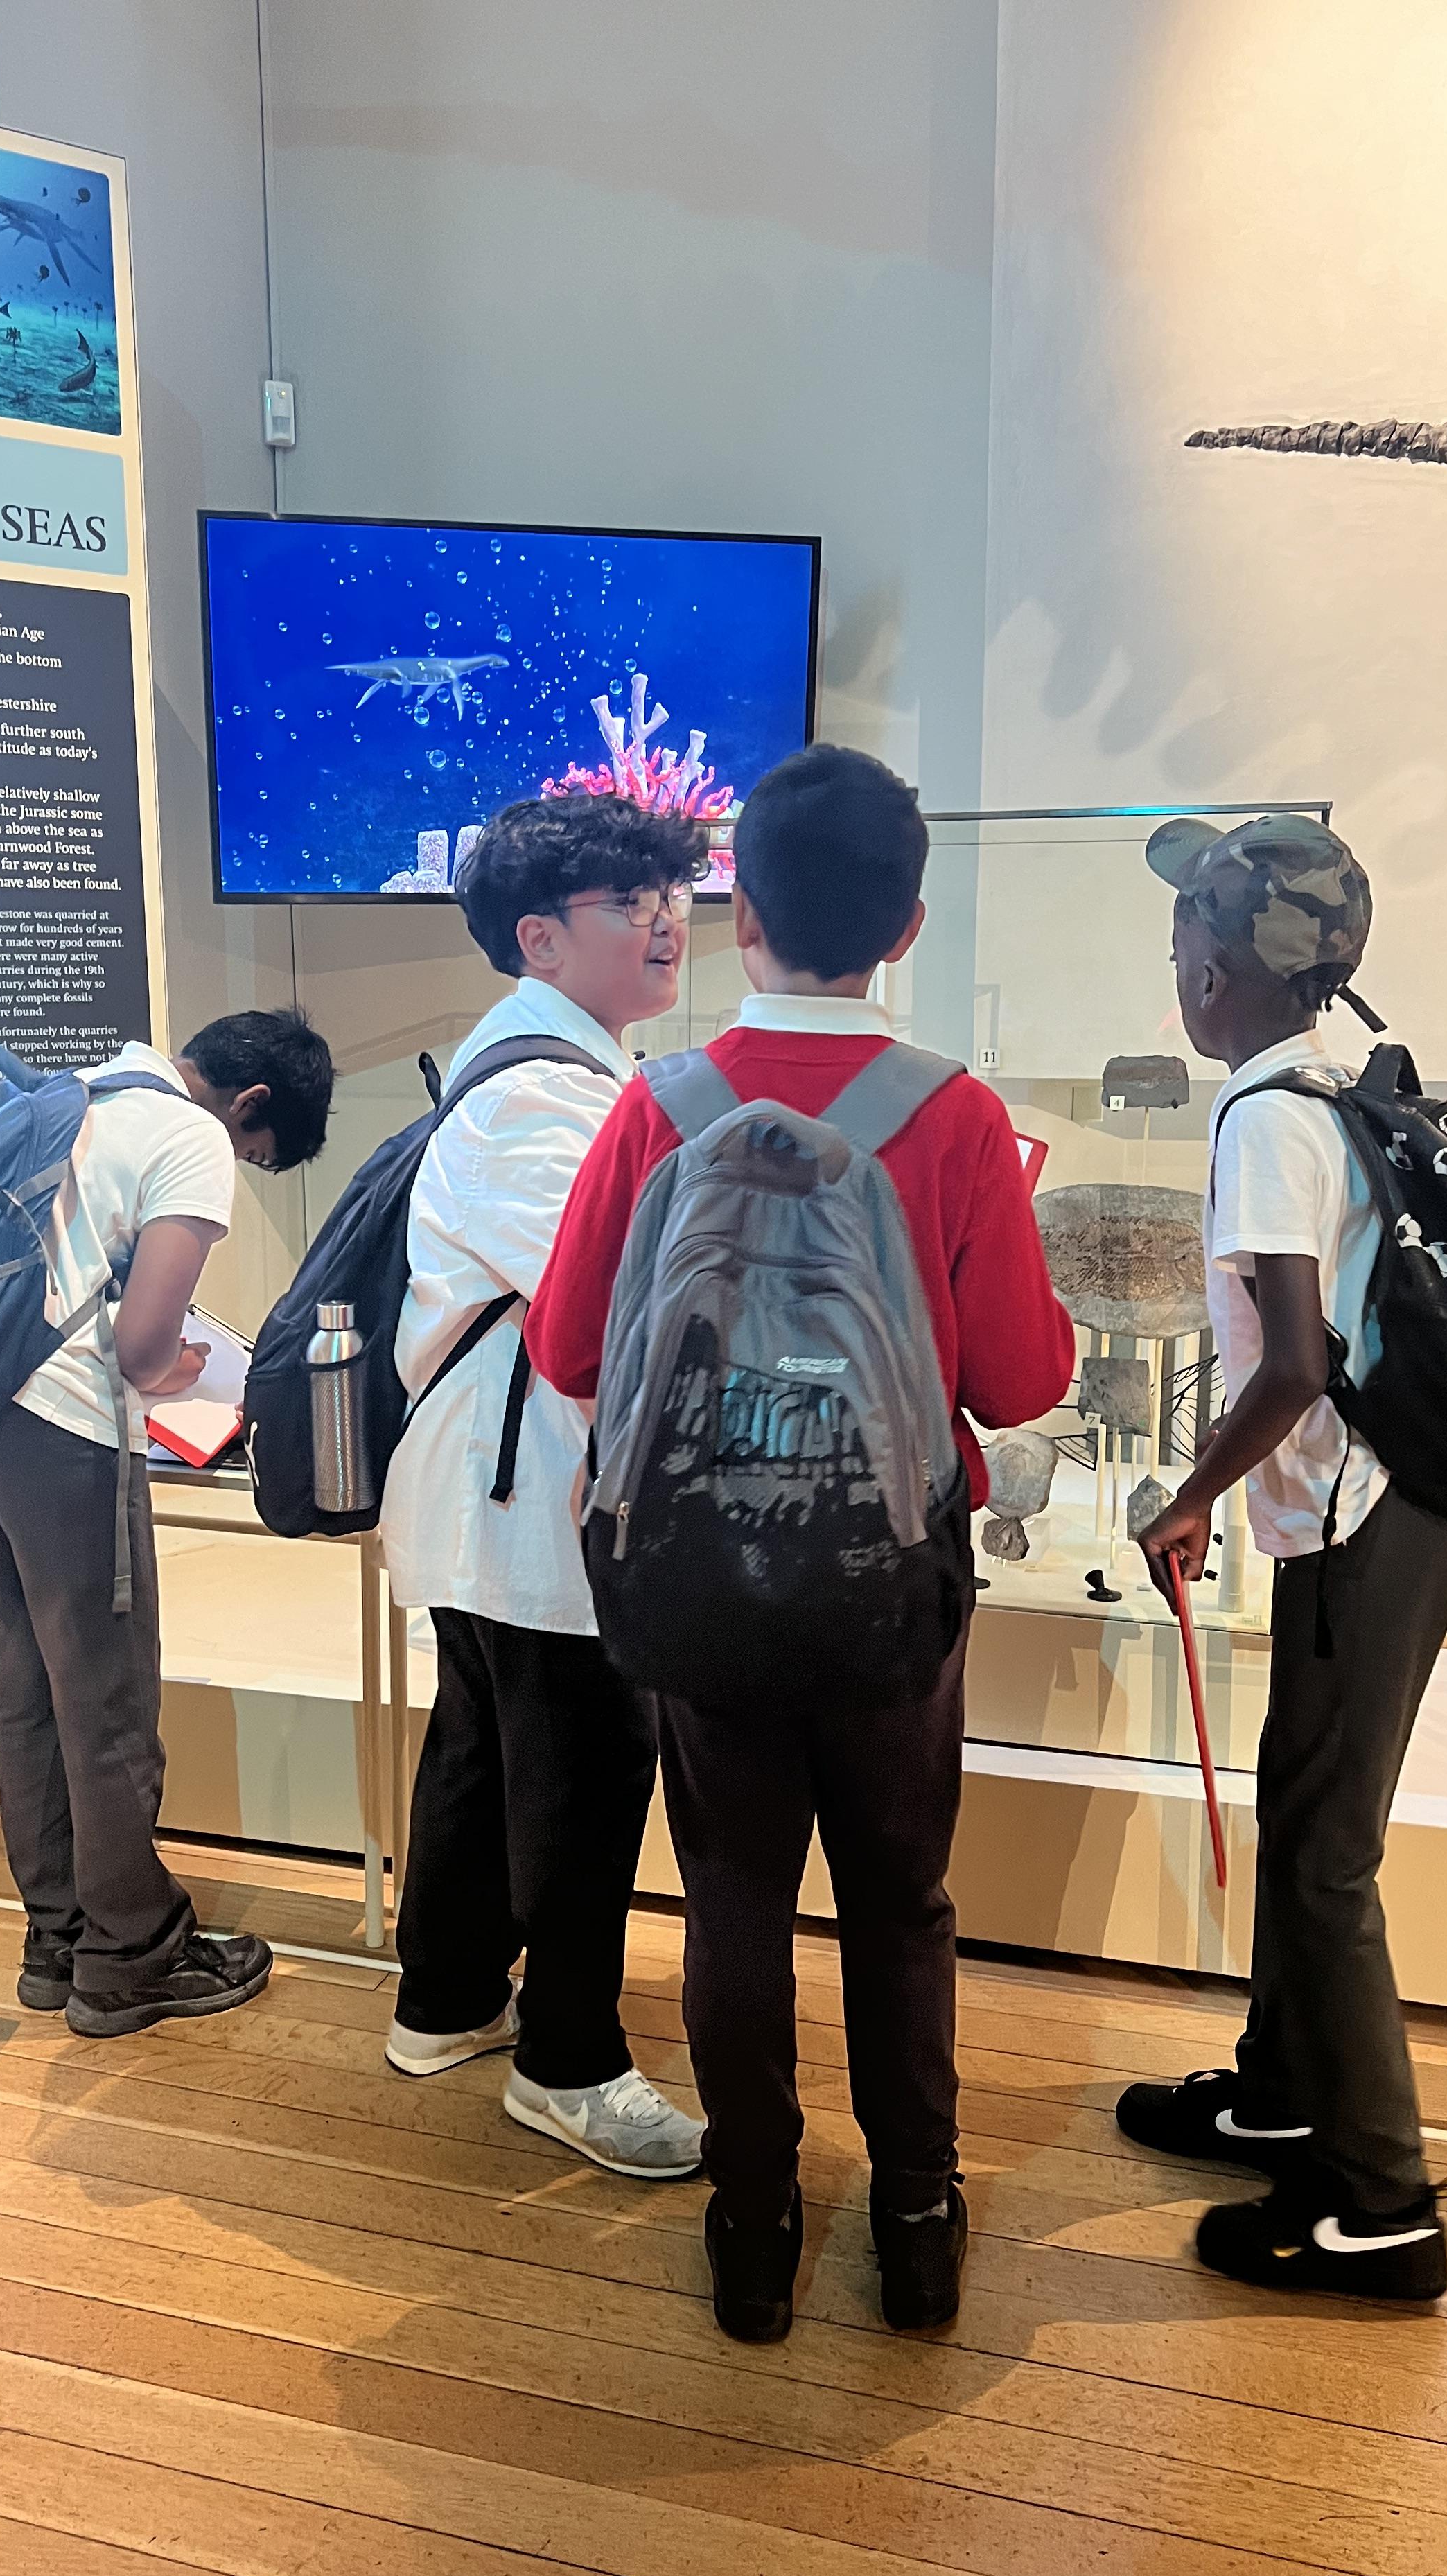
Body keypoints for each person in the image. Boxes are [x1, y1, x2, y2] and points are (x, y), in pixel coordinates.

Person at [528, 745, 1075, 2339]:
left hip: (702, 1580)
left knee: (734, 1903)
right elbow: (1021, 1379)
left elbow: (569, 1348)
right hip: (890, 1585)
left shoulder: (658, 1106)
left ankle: (755, 2225)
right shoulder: (955, 1116)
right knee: (902, 1901)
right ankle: (916, 2219)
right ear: (907, 926)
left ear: (738, 915)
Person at [1124, 813, 1447, 2304]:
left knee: (1328, 1855)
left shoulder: (1268, 1116)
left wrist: (1187, 1494)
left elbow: (1296, 1363)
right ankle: (1278, 2094)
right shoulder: (1328, 1086)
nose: (1182, 968)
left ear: (1223, 973)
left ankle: (1385, 2207)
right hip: (1384, 1505)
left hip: (1361, 1517)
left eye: (1188, 940)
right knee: (1303, 1803)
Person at [378, 794, 707, 2181]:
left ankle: (446, 2001)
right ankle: (567, 2063)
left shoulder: (566, 1073)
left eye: (671, 896)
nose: (668, 924)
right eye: (631, 904)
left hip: (500, 1491)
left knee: (484, 1748)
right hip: (528, 1498)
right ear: (539, 937)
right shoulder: (536, 1097)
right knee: (581, 1769)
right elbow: (625, 1299)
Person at [0, 1008, 335, 2040]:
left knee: (22, 1679)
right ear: (250, 1103)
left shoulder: (70, 1091)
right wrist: (181, 1370)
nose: (242, 1161)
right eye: (257, 1149)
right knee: (104, 1695)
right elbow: (146, 1346)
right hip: (59, 1430)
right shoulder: (189, 1133)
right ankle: (131, 1955)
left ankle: (57, 1939)